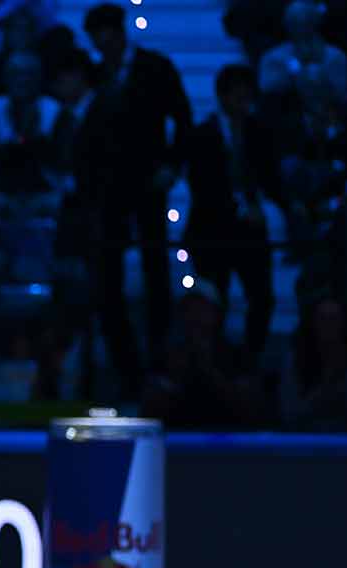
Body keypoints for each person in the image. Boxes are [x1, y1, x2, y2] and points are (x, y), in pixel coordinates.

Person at [83, 2, 191, 395]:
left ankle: (159, 358)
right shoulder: (96, 73)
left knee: (155, 271)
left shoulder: (155, 66)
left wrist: (172, 166)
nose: (102, 42)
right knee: (110, 277)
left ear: (120, 31)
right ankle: (126, 365)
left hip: (148, 184)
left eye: (106, 32)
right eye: (97, 35)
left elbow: (183, 117)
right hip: (109, 189)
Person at [185, 64, 282, 361]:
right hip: (212, 231)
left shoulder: (261, 132)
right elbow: (202, 185)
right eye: (236, 93)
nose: (242, 100)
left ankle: (250, 357)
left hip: (251, 233)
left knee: (262, 298)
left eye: (246, 94)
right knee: (214, 302)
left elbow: (271, 177)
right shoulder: (202, 135)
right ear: (222, 96)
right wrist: (240, 208)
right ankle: (213, 361)